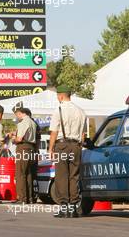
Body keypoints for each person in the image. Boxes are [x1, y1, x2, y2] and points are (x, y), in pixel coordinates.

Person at [49, 85, 86, 218]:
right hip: (76, 145)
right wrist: (79, 146)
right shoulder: (81, 111)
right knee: (74, 176)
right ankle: (74, 207)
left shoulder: (58, 110)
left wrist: (50, 149)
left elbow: (54, 132)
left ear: (61, 96)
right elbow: (83, 134)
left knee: (61, 177)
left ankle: (64, 207)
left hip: (62, 145)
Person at [11, 106, 37, 204]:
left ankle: (22, 198)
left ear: (19, 113)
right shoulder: (33, 122)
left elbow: (19, 138)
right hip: (31, 148)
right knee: (28, 174)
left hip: (23, 148)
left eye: (17, 115)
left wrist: (13, 139)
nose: (17, 117)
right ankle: (29, 197)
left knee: (20, 174)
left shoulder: (23, 123)